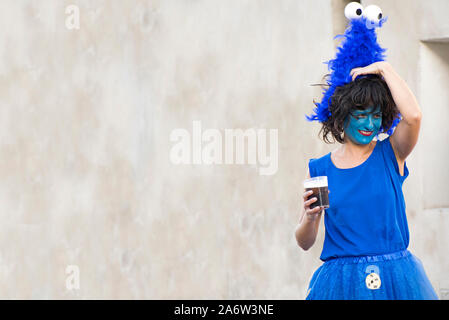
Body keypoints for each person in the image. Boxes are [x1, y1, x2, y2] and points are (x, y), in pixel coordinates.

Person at [295, 61, 438, 300]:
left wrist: (385, 69)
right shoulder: (320, 170)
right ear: (341, 116)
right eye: (361, 115)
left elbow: (413, 116)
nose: (370, 124)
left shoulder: (392, 153)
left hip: (396, 280)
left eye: (376, 115)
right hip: (341, 285)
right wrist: (310, 218)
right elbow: (304, 242)